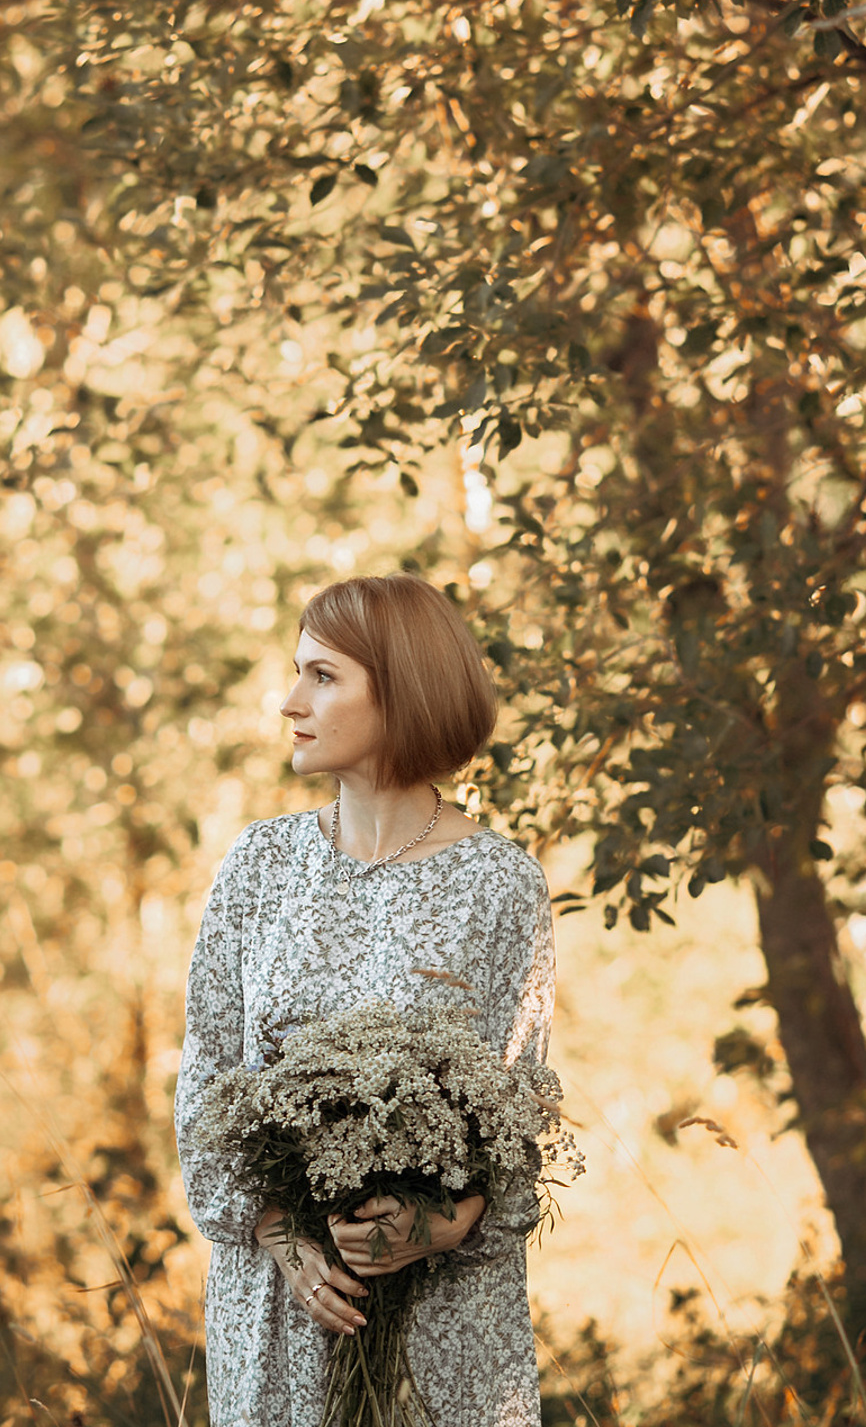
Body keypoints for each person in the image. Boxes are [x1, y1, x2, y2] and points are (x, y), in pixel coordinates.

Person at [174, 572, 557, 1426]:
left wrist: (438, 1226)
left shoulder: (501, 885)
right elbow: (204, 1084)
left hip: (442, 1324)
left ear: (402, 690)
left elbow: (517, 1112)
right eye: (296, 672)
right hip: (281, 1314)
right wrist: (282, 1239)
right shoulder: (259, 867)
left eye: (322, 675)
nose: (288, 701)